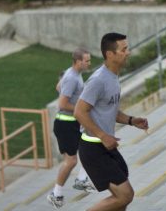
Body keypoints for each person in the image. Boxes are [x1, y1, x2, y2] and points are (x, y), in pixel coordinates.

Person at [74, 33, 149, 211]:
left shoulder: (113, 76)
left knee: (121, 200)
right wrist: (102, 135)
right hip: (93, 147)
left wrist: (131, 120)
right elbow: (79, 111)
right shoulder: (99, 80)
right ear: (110, 54)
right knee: (125, 195)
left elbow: (109, 110)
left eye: (127, 48)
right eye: (123, 50)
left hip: (106, 145)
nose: (128, 52)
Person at [46, 48, 94, 209]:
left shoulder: (72, 73)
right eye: (86, 60)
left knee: (90, 145)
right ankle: (56, 194)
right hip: (66, 124)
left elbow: (58, 87)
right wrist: (80, 109)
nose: (89, 63)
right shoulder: (72, 78)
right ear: (78, 61)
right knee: (71, 161)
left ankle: (81, 180)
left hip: (72, 122)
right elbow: (62, 104)